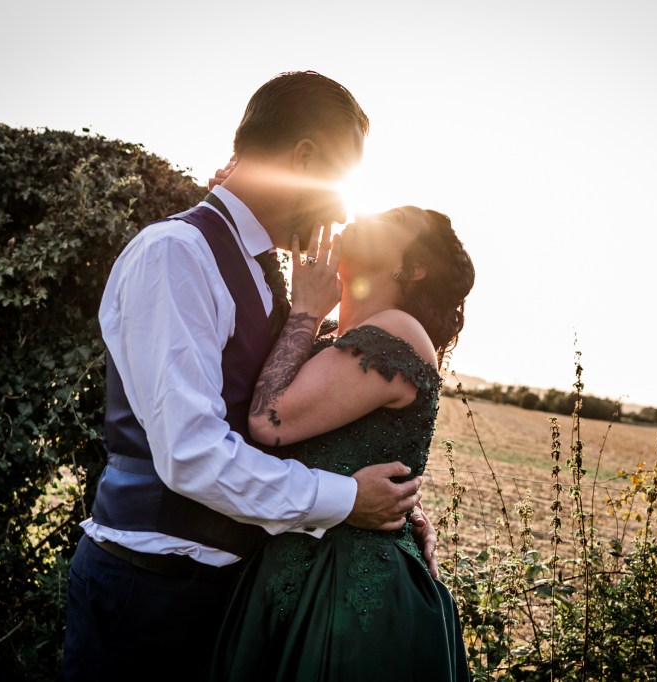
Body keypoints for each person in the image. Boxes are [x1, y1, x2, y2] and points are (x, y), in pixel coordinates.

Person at [62, 71, 436, 681]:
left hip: (227, 596)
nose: (343, 209)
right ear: (304, 160)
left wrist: (394, 511)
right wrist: (347, 501)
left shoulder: (262, 273)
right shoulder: (175, 253)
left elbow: (297, 420)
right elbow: (191, 455)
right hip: (151, 592)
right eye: (339, 183)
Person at [209, 205, 475, 681]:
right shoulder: (337, 336)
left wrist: (306, 311)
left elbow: (269, 419)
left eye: (394, 222)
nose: (370, 217)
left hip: (351, 594)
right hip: (289, 570)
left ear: (414, 267)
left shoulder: (398, 331)